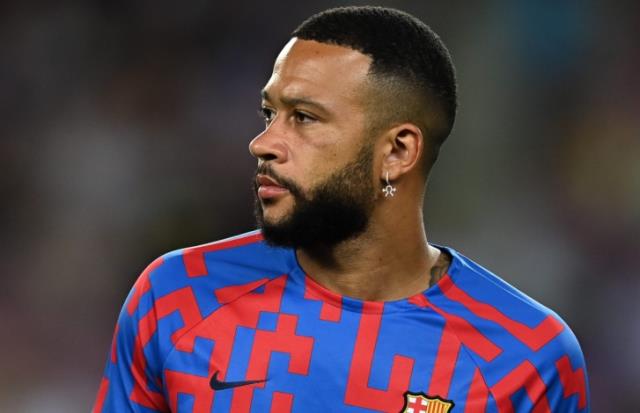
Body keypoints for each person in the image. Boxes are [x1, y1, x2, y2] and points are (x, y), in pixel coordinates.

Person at [93, 6, 589, 413]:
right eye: (270, 113)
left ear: (397, 152)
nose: (263, 143)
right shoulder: (179, 297)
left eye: (304, 118)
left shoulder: (525, 355)